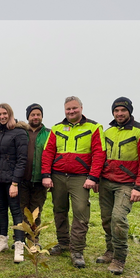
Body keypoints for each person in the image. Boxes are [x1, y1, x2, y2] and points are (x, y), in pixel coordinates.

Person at [41, 96, 106, 268]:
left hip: (81, 178)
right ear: (64, 110)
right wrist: (46, 174)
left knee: (81, 213)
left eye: (74, 108)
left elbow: (99, 154)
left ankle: (77, 250)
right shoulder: (56, 128)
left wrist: (93, 177)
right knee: (59, 210)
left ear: (81, 108)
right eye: (68, 109)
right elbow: (48, 152)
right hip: (58, 176)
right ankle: (63, 243)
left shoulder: (94, 128)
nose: (71, 111)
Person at [96, 97, 140, 275]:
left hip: (128, 184)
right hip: (106, 182)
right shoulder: (108, 131)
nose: (119, 114)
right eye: (116, 111)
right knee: (106, 219)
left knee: (118, 218)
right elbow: (100, 157)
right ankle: (110, 250)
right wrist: (97, 178)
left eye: (123, 110)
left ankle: (119, 258)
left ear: (129, 111)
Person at [0, 103, 29, 262]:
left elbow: (22, 159)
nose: (2, 116)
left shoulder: (19, 133)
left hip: (12, 180)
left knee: (16, 211)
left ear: (10, 114)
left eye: (4, 113)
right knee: (2, 209)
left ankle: (19, 244)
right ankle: (2, 241)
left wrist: (15, 183)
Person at [19, 103, 51, 231]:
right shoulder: (21, 133)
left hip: (39, 179)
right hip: (22, 179)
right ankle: (20, 239)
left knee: (36, 211)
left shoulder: (48, 133)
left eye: (38, 114)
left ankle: (33, 239)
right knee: (22, 210)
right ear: (28, 117)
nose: (36, 117)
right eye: (33, 115)